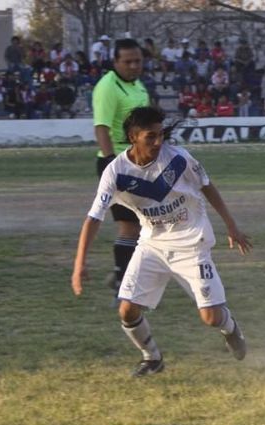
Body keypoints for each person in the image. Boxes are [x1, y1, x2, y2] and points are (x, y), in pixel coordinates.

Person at [71, 106, 251, 376]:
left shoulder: (178, 159)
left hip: (192, 244)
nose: (158, 142)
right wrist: (79, 265)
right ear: (133, 137)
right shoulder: (115, 172)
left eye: (160, 135)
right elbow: (93, 218)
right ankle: (152, 358)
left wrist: (232, 226)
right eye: (150, 137)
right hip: (152, 245)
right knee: (127, 310)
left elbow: (207, 186)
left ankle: (231, 329)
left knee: (211, 318)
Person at [92, 38, 151, 300]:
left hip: (140, 162)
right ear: (115, 62)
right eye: (127, 61)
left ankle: (123, 276)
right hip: (118, 162)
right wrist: (110, 163)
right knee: (129, 225)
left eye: (137, 60)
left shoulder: (138, 85)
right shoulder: (107, 87)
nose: (133, 66)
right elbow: (101, 127)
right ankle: (121, 282)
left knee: (142, 223)